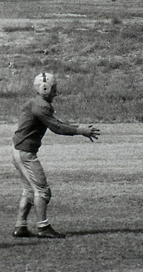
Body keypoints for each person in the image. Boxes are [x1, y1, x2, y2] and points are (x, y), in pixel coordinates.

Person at [10, 72, 100, 238]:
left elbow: (57, 123)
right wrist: (81, 131)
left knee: (29, 190)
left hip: (19, 151)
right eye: (54, 89)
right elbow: (57, 127)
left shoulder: (35, 103)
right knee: (42, 191)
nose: (55, 92)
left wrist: (79, 127)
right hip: (25, 153)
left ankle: (20, 226)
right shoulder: (42, 106)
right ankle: (43, 227)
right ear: (45, 88)